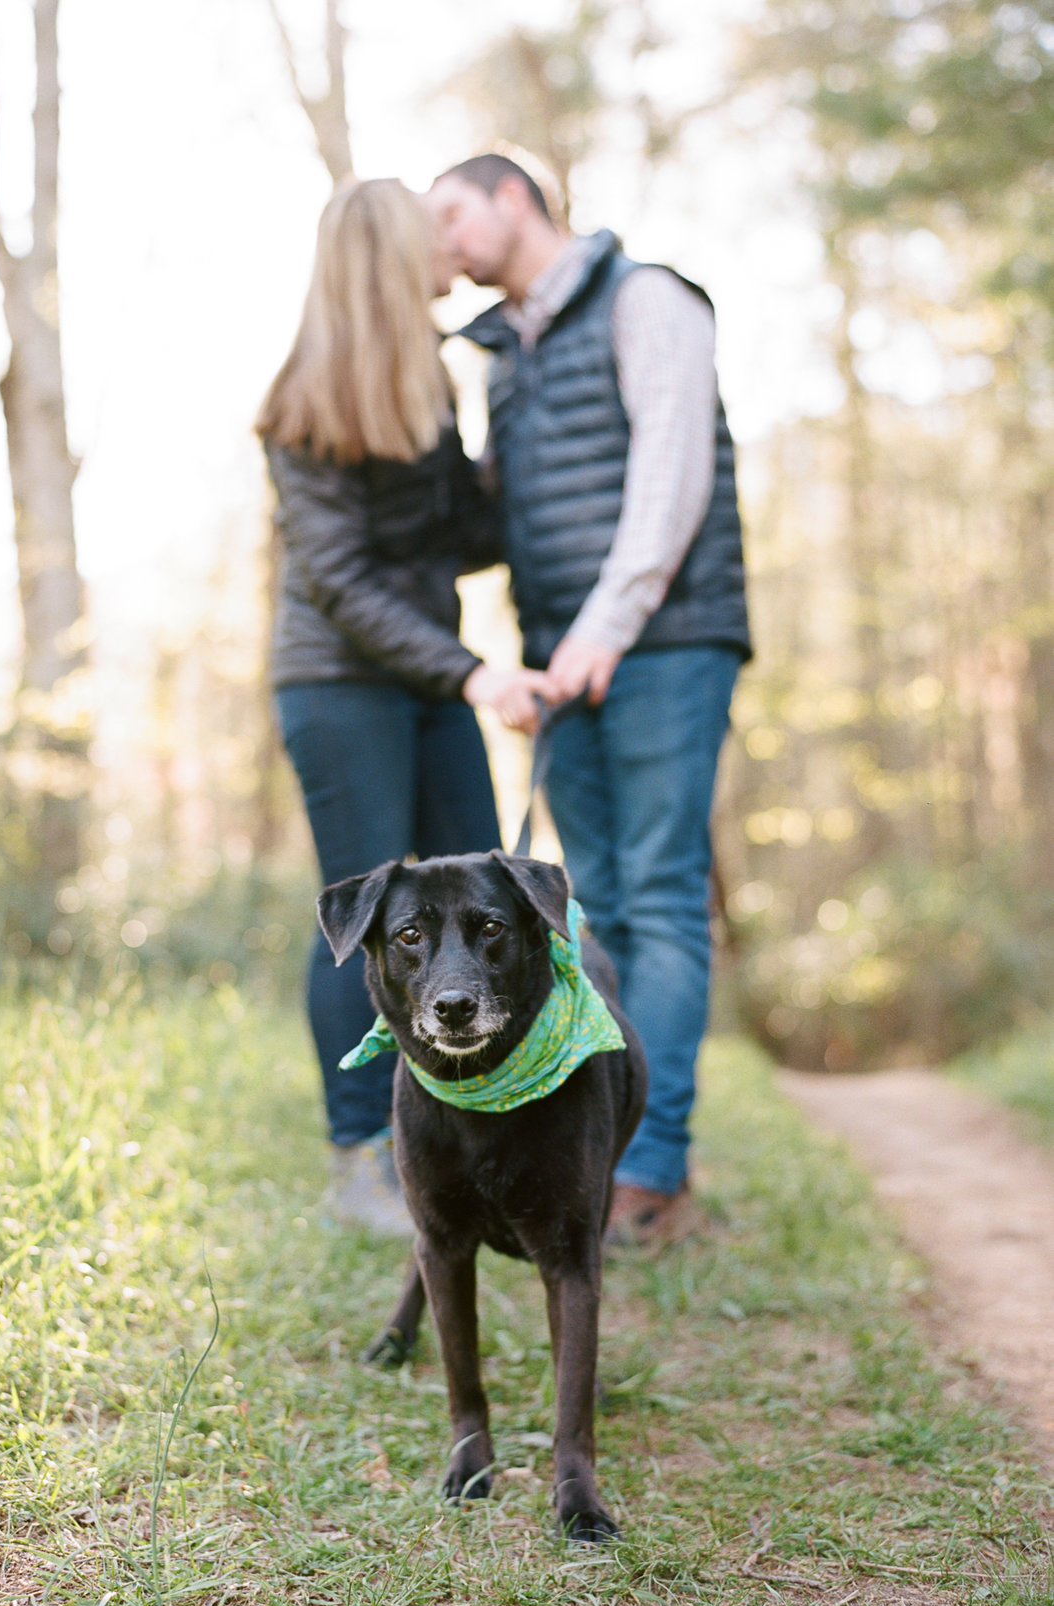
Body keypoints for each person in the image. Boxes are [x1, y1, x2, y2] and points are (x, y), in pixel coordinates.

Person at [426, 154, 750, 1250]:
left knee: (659, 897)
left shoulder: (646, 298)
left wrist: (607, 627)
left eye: (453, 214)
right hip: (566, 656)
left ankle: (647, 1175)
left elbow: (669, 477)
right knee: (592, 904)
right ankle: (602, 1160)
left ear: (513, 197)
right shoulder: (499, 352)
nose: (444, 242)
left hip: (664, 644)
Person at [257, 178, 550, 1238]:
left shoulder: (428, 378)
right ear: (386, 256)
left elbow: (445, 543)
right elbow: (339, 582)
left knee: (470, 898)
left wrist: (512, 471)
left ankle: (476, 1128)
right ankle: (359, 1163)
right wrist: (472, 670)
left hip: (425, 678)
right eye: (428, 234)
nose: (448, 245)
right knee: (365, 920)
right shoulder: (301, 401)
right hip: (337, 684)